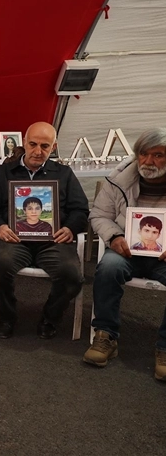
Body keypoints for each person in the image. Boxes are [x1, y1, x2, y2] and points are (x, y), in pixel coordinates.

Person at [0, 122, 89, 340]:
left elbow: (80, 209)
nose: (38, 151)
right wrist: (0, 226)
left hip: (53, 241)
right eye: (33, 144)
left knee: (71, 275)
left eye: (45, 146)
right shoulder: (3, 173)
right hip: (14, 240)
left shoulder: (65, 174)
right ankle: (7, 316)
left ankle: (50, 318)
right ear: (24, 142)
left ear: (54, 147)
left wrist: (70, 228)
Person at [84, 127, 166, 380]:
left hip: (163, 256)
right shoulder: (118, 180)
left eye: (158, 155)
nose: (148, 161)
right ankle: (105, 336)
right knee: (108, 268)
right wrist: (114, 236)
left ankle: (165, 348)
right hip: (126, 250)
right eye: (143, 154)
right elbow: (99, 215)